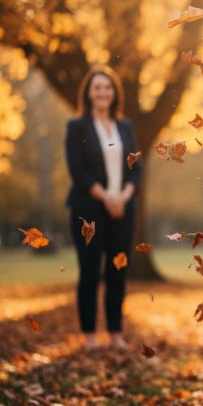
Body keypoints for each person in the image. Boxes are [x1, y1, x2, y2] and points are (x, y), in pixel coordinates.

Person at [65, 66, 140, 350]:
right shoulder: (77, 127)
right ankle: (89, 335)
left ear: (114, 93)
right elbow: (79, 171)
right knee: (89, 273)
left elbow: (136, 168)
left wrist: (123, 197)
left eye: (107, 87)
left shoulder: (125, 127)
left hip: (124, 211)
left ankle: (116, 333)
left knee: (118, 271)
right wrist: (107, 198)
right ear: (88, 92)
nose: (102, 92)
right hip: (88, 211)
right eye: (97, 87)